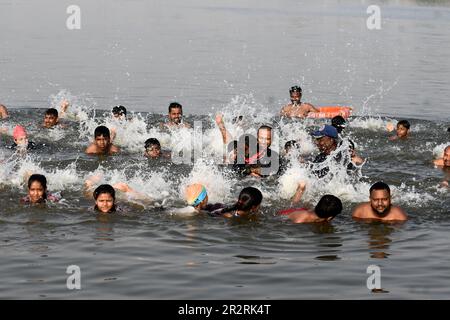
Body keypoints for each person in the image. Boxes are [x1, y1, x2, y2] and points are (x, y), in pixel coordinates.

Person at [278, 184, 343, 224]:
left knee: (295, 205)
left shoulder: (317, 216)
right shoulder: (299, 221)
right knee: (293, 206)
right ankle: (301, 189)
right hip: (284, 213)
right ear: (330, 218)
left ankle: (301, 188)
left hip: (304, 212)